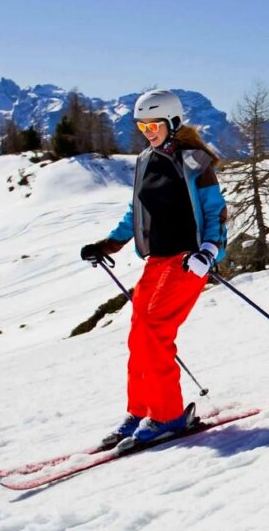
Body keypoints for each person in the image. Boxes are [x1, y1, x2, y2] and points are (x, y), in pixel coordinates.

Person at [80, 89, 228, 445]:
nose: (147, 131)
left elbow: (215, 211)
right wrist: (109, 244)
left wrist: (209, 251)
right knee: (138, 334)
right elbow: (137, 211)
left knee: (155, 329)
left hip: (187, 261)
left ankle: (168, 416)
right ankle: (142, 409)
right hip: (156, 260)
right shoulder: (146, 159)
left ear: (173, 123)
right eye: (142, 125)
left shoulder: (195, 161)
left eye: (154, 124)